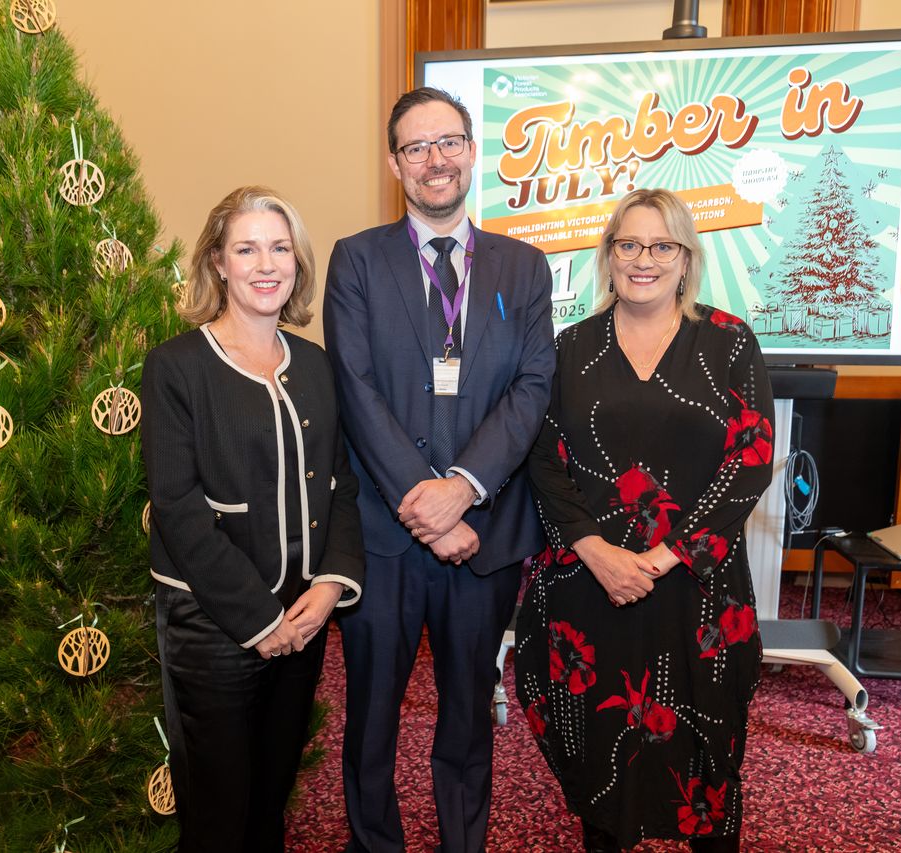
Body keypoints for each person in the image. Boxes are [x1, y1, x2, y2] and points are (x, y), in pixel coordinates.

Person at [323, 87, 555, 852]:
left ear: (472, 151)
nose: (435, 159)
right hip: (385, 540)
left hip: (484, 534)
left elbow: (532, 389)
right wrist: (421, 504)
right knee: (373, 714)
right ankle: (373, 842)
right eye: (417, 147)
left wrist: (462, 493)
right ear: (394, 164)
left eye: (448, 141)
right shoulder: (356, 259)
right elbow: (354, 387)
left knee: (467, 710)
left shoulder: (524, 269)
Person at [515, 188, 775, 852]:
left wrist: (666, 557)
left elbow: (750, 459)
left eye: (662, 245)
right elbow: (544, 460)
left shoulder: (728, 342)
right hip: (590, 588)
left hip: (697, 590)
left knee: (708, 753)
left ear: (686, 259)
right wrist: (597, 552)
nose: (643, 259)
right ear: (607, 256)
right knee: (604, 752)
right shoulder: (568, 348)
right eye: (628, 244)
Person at [140, 186, 365, 853]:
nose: (266, 263)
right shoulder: (177, 367)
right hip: (214, 626)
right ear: (217, 262)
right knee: (218, 817)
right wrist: (258, 620)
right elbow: (177, 508)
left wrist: (329, 587)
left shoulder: (318, 367)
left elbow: (341, 486)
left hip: (303, 619)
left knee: (271, 803)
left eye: (279, 247)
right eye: (246, 248)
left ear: (296, 261)